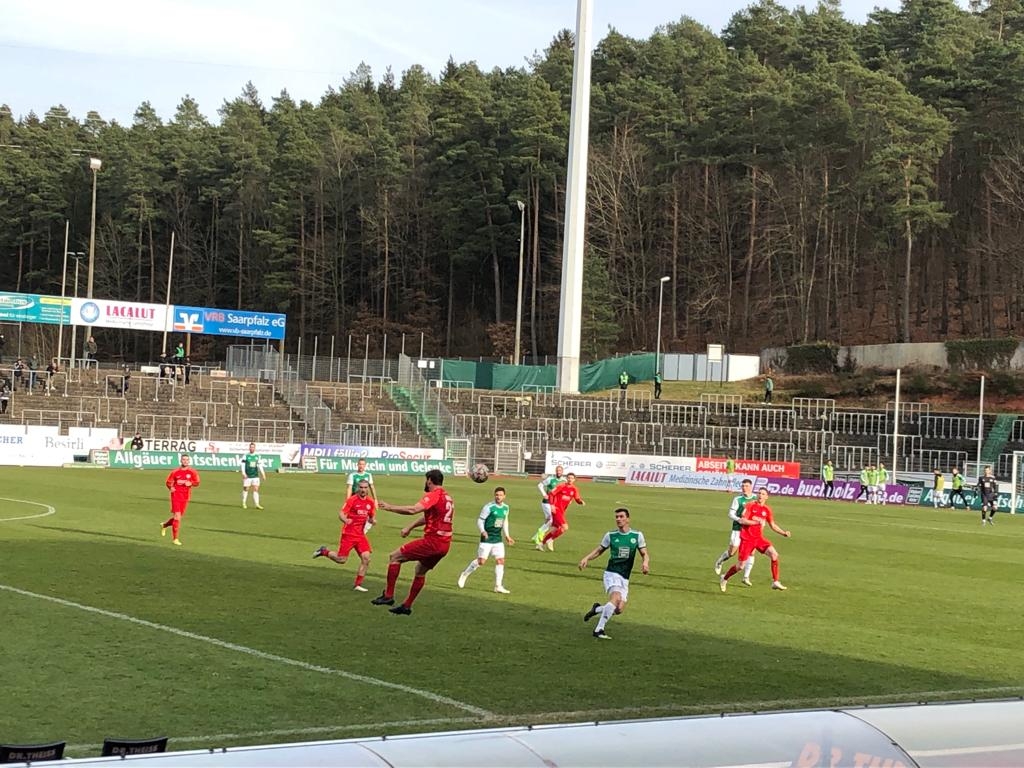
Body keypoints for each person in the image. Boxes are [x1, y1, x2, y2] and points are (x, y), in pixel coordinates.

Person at [371, 469, 453, 615]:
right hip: (445, 544)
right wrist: (410, 527)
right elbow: (428, 517)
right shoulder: (448, 497)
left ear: (429, 480)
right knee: (420, 571)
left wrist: (390, 507)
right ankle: (407, 606)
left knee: (395, 557)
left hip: (433, 541)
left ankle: (388, 596)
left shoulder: (434, 495)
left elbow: (413, 509)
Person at [579, 508, 649, 640]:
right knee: (615, 598)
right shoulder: (610, 535)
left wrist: (645, 563)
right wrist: (586, 558)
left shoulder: (637, 536)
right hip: (612, 573)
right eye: (617, 517)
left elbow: (644, 553)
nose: (618, 519)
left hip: (625, 577)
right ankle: (599, 630)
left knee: (618, 609)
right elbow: (599, 550)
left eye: (621, 516)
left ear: (628, 519)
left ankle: (597, 609)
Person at [720, 487, 791, 591]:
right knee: (740, 566)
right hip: (747, 539)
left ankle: (775, 582)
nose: (760, 495)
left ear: (767, 497)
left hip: (758, 539)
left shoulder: (767, 510)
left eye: (763, 494)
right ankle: (724, 578)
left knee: (774, 555)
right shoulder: (750, 505)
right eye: (759, 493)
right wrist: (756, 522)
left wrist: (783, 533)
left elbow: (773, 525)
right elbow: (743, 520)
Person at [313, 479, 377, 592]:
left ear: (368, 489)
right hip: (349, 534)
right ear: (358, 488)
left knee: (366, 558)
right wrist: (345, 520)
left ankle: (357, 585)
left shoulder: (370, 502)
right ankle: (324, 551)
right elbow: (341, 513)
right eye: (361, 487)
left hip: (360, 535)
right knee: (341, 560)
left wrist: (373, 521)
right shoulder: (352, 500)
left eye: (365, 487)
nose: (363, 490)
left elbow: (371, 517)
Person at [458, 486, 514, 594]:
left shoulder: (506, 508)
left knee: (500, 560)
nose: (498, 497)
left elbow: (505, 521)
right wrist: (483, 531)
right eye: (497, 495)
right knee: (481, 561)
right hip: (487, 538)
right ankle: (465, 574)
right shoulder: (489, 507)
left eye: (500, 495)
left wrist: (507, 535)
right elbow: (480, 520)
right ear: (494, 495)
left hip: (498, 538)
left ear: (504, 496)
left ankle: (498, 586)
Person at [713, 478, 757, 584]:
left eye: (746, 486)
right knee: (732, 552)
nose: (744, 488)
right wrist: (739, 519)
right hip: (738, 528)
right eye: (743, 486)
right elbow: (731, 514)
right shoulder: (738, 499)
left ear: (751, 487)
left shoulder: (756, 498)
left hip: (750, 530)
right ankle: (720, 561)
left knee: (751, 552)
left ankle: (746, 577)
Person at [538, 472, 585, 551]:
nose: (570, 479)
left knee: (555, 529)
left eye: (572, 478)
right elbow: (551, 494)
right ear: (566, 478)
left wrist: (581, 502)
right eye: (569, 478)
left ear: (574, 480)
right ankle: (550, 540)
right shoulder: (561, 486)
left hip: (562, 511)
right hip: (556, 509)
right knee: (565, 527)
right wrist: (552, 505)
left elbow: (577, 498)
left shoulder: (574, 489)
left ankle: (541, 544)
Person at [161, 454, 200, 546]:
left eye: (187, 460)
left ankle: (165, 525)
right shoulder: (175, 472)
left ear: (189, 461)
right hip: (176, 495)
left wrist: (191, 483)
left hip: (185, 496)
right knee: (177, 516)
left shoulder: (193, 472)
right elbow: (168, 482)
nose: (185, 461)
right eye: (183, 459)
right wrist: (171, 487)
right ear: (181, 461)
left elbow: (197, 482)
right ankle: (175, 539)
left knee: (177, 517)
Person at [532, 464, 566, 546]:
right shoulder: (550, 479)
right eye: (557, 470)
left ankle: (536, 536)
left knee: (551, 520)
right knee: (551, 519)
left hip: (556, 503)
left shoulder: (564, 481)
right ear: (555, 471)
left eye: (560, 471)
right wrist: (544, 494)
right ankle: (541, 532)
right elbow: (540, 485)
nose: (558, 472)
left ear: (562, 472)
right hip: (547, 502)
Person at [240, 442, 267, 509]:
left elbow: (260, 465)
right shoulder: (246, 456)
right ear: (249, 448)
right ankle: (244, 502)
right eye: (251, 447)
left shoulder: (257, 456)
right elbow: (242, 465)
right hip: (247, 476)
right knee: (246, 489)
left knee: (256, 489)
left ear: (255, 448)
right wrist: (243, 473)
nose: (252, 448)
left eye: (253, 447)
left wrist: (263, 474)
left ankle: (257, 504)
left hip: (255, 475)